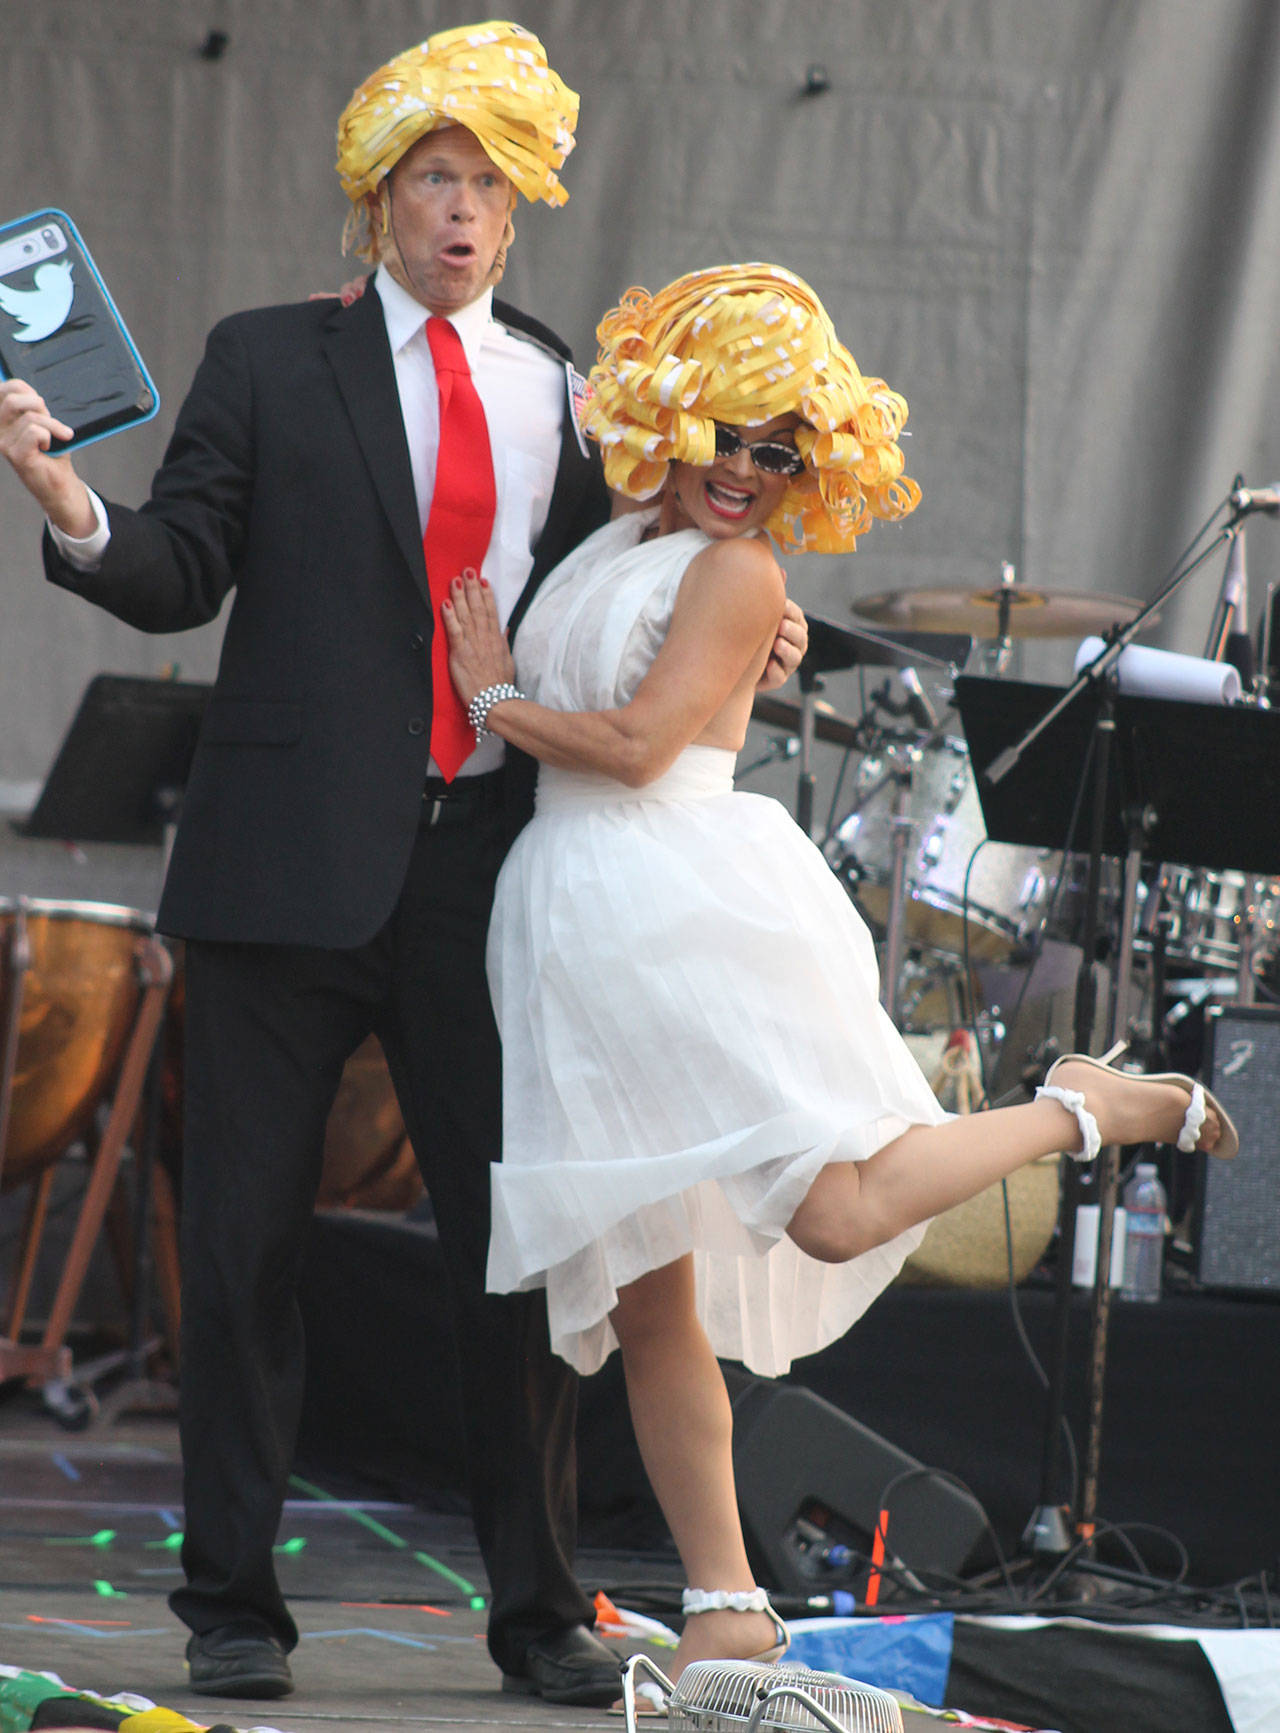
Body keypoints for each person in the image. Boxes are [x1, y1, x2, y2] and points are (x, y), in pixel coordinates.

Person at [0, 23, 801, 1706]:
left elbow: (628, 585)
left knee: (515, 1252)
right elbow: (180, 564)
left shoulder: (565, 383)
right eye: (434, 178)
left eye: (489, 185)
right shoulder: (268, 356)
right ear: (381, 203)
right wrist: (69, 502)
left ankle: (538, 1611)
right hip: (283, 869)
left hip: (491, 869)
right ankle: (232, 1602)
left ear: (519, 217)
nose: (461, 210)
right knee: (241, 1249)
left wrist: (761, 615)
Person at [442, 262, 1239, 1693]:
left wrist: (494, 692)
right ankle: (726, 1599)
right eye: (725, 438)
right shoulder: (620, 536)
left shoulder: (740, 569)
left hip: (678, 900)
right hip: (574, 920)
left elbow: (632, 746)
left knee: (837, 1206)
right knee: (646, 1292)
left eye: (778, 450)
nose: (746, 473)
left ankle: (1084, 1107)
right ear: (668, 424)